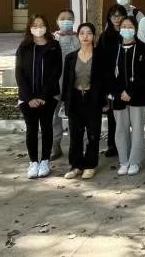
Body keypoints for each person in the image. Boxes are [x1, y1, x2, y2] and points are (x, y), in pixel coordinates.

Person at [15, 14, 62, 179]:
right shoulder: (24, 47)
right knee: (31, 129)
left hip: (48, 97)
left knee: (47, 126)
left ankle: (45, 161)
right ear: (29, 27)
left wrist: (43, 95)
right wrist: (29, 98)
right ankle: (33, 161)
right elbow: (19, 73)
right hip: (27, 98)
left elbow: (56, 72)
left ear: (46, 26)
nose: (38, 28)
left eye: (41, 24)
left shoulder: (54, 45)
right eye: (35, 25)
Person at [62, 23, 106, 180]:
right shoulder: (70, 57)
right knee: (75, 135)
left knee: (93, 134)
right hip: (75, 99)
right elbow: (66, 81)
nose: (85, 36)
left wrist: (104, 101)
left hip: (93, 99)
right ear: (78, 36)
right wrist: (65, 101)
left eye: (89, 33)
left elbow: (104, 81)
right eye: (82, 33)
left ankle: (90, 165)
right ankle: (76, 165)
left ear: (94, 36)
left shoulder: (100, 56)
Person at [107, 16, 145, 175]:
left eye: (130, 26)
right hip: (118, 97)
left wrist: (130, 91)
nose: (126, 29)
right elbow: (109, 74)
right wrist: (119, 92)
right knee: (120, 129)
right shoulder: (114, 48)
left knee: (137, 129)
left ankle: (135, 161)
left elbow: (143, 74)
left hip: (137, 96)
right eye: (123, 26)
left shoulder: (142, 48)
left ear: (135, 29)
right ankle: (123, 160)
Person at [98, 4, 128, 158]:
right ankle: (112, 145)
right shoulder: (104, 37)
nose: (117, 18)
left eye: (120, 15)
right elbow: (101, 62)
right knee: (112, 116)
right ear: (109, 18)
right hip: (110, 81)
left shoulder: (128, 34)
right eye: (113, 15)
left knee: (127, 116)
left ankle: (126, 144)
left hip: (127, 80)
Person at [51, 9, 80, 161]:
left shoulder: (79, 37)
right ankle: (55, 145)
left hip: (75, 84)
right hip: (55, 84)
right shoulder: (52, 39)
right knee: (53, 116)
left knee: (76, 116)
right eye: (62, 18)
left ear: (74, 21)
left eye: (69, 18)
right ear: (57, 21)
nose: (66, 21)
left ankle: (78, 146)